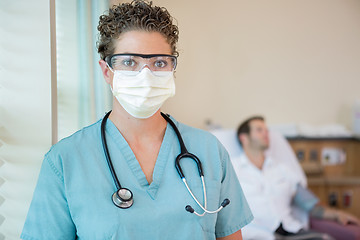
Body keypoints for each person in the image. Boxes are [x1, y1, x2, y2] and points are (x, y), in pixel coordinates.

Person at [20, 1, 253, 239]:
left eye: (159, 63)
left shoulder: (209, 151)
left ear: (172, 69)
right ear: (106, 71)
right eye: (129, 62)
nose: (146, 75)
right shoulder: (65, 160)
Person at [232, 116, 360, 240]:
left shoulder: (282, 169)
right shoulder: (232, 169)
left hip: (291, 231)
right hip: (255, 234)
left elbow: (309, 203)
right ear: (244, 138)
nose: (266, 134)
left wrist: (336, 214)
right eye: (259, 130)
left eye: (266, 130)